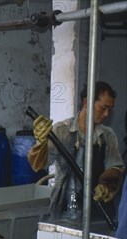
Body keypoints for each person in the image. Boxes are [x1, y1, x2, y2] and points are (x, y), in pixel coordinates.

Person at [27, 81, 124, 221]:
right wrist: (41, 144)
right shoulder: (61, 131)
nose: (107, 114)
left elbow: (115, 167)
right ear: (86, 102)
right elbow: (38, 165)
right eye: (103, 108)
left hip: (97, 212)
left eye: (110, 109)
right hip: (63, 210)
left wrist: (107, 185)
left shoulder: (107, 136)